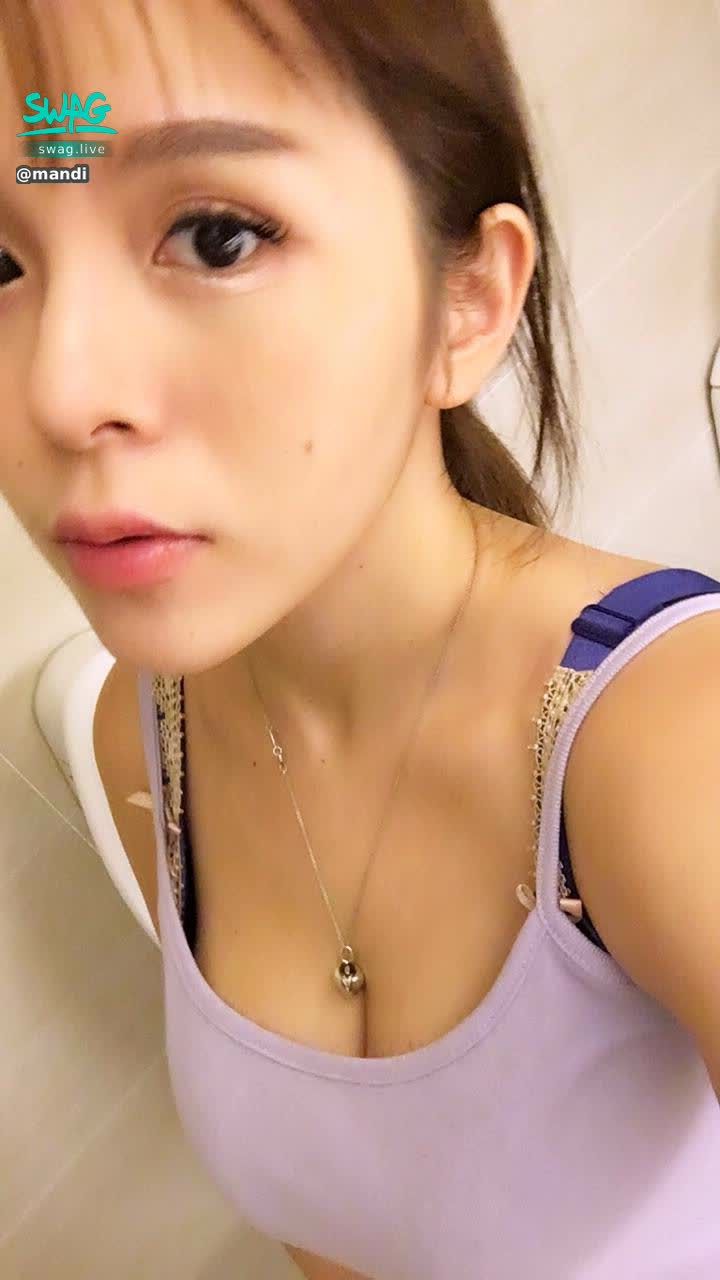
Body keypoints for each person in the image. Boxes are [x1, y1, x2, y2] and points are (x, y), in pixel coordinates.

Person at [3, 3, 720, 1277]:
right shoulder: (140, 740)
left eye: (216, 236)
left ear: (467, 301)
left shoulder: (672, 741)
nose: (58, 390)